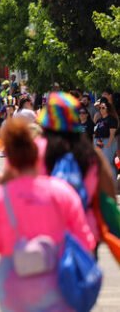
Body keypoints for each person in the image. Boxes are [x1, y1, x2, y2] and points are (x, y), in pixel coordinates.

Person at [0, 119, 96, 312]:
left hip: (13, 289)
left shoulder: (0, 197)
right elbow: (86, 241)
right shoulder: (62, 192)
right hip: (57, 285)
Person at [41, 92, 116, 255]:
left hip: (45, 235)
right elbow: (109, 197)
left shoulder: (36, 151)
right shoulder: (91, 154)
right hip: (85, 234)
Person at [94, 98, 118, 180]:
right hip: (99, 142)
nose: (101, 109)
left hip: (108, 141)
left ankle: (113, 182)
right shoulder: (99, 120)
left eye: (103, 107)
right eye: (100, 108)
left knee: (108, 163)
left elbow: (112, 133)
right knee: (101, 164)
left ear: (108, 109)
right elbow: (95, 132)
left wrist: (109, 144)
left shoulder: (111, 119)